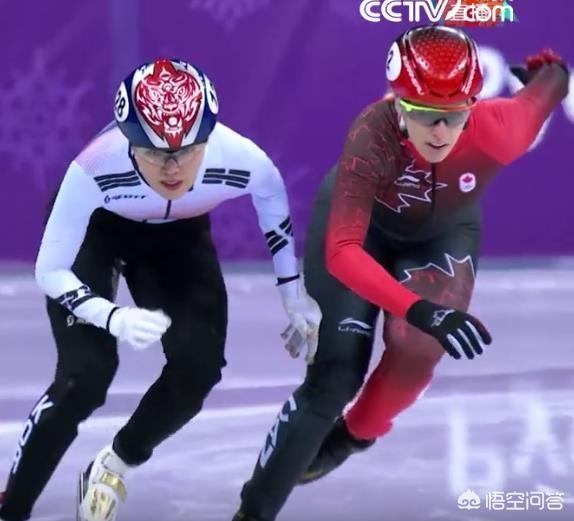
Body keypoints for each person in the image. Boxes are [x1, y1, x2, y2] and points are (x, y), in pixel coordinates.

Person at [233, 25, 569, 521]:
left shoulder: (501, 130)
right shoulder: (372, 135)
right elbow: (343, 252)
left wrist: (548, 72)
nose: (440, 132)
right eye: (424, 114)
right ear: (397, 105)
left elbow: (547, 91)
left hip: (442, 235)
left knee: (419, 348)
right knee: (334, 378)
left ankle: (352, 437)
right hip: (361, 232)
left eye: (455, 116)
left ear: (473, 106)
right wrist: (419, 309)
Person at [0, 58, 321, 521]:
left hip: (177, 238)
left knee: (199, 368)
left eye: (188, 150)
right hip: (98, 231)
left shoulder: (242, 158)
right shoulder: (93, 169)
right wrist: (112, 316)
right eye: (153, 152)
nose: (172, 168)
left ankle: (113, 465)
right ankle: (12, 507)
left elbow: (273, 203)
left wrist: (293, 297)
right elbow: (50, 271)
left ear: (209, 137)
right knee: (84, 378)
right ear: (127, 139)